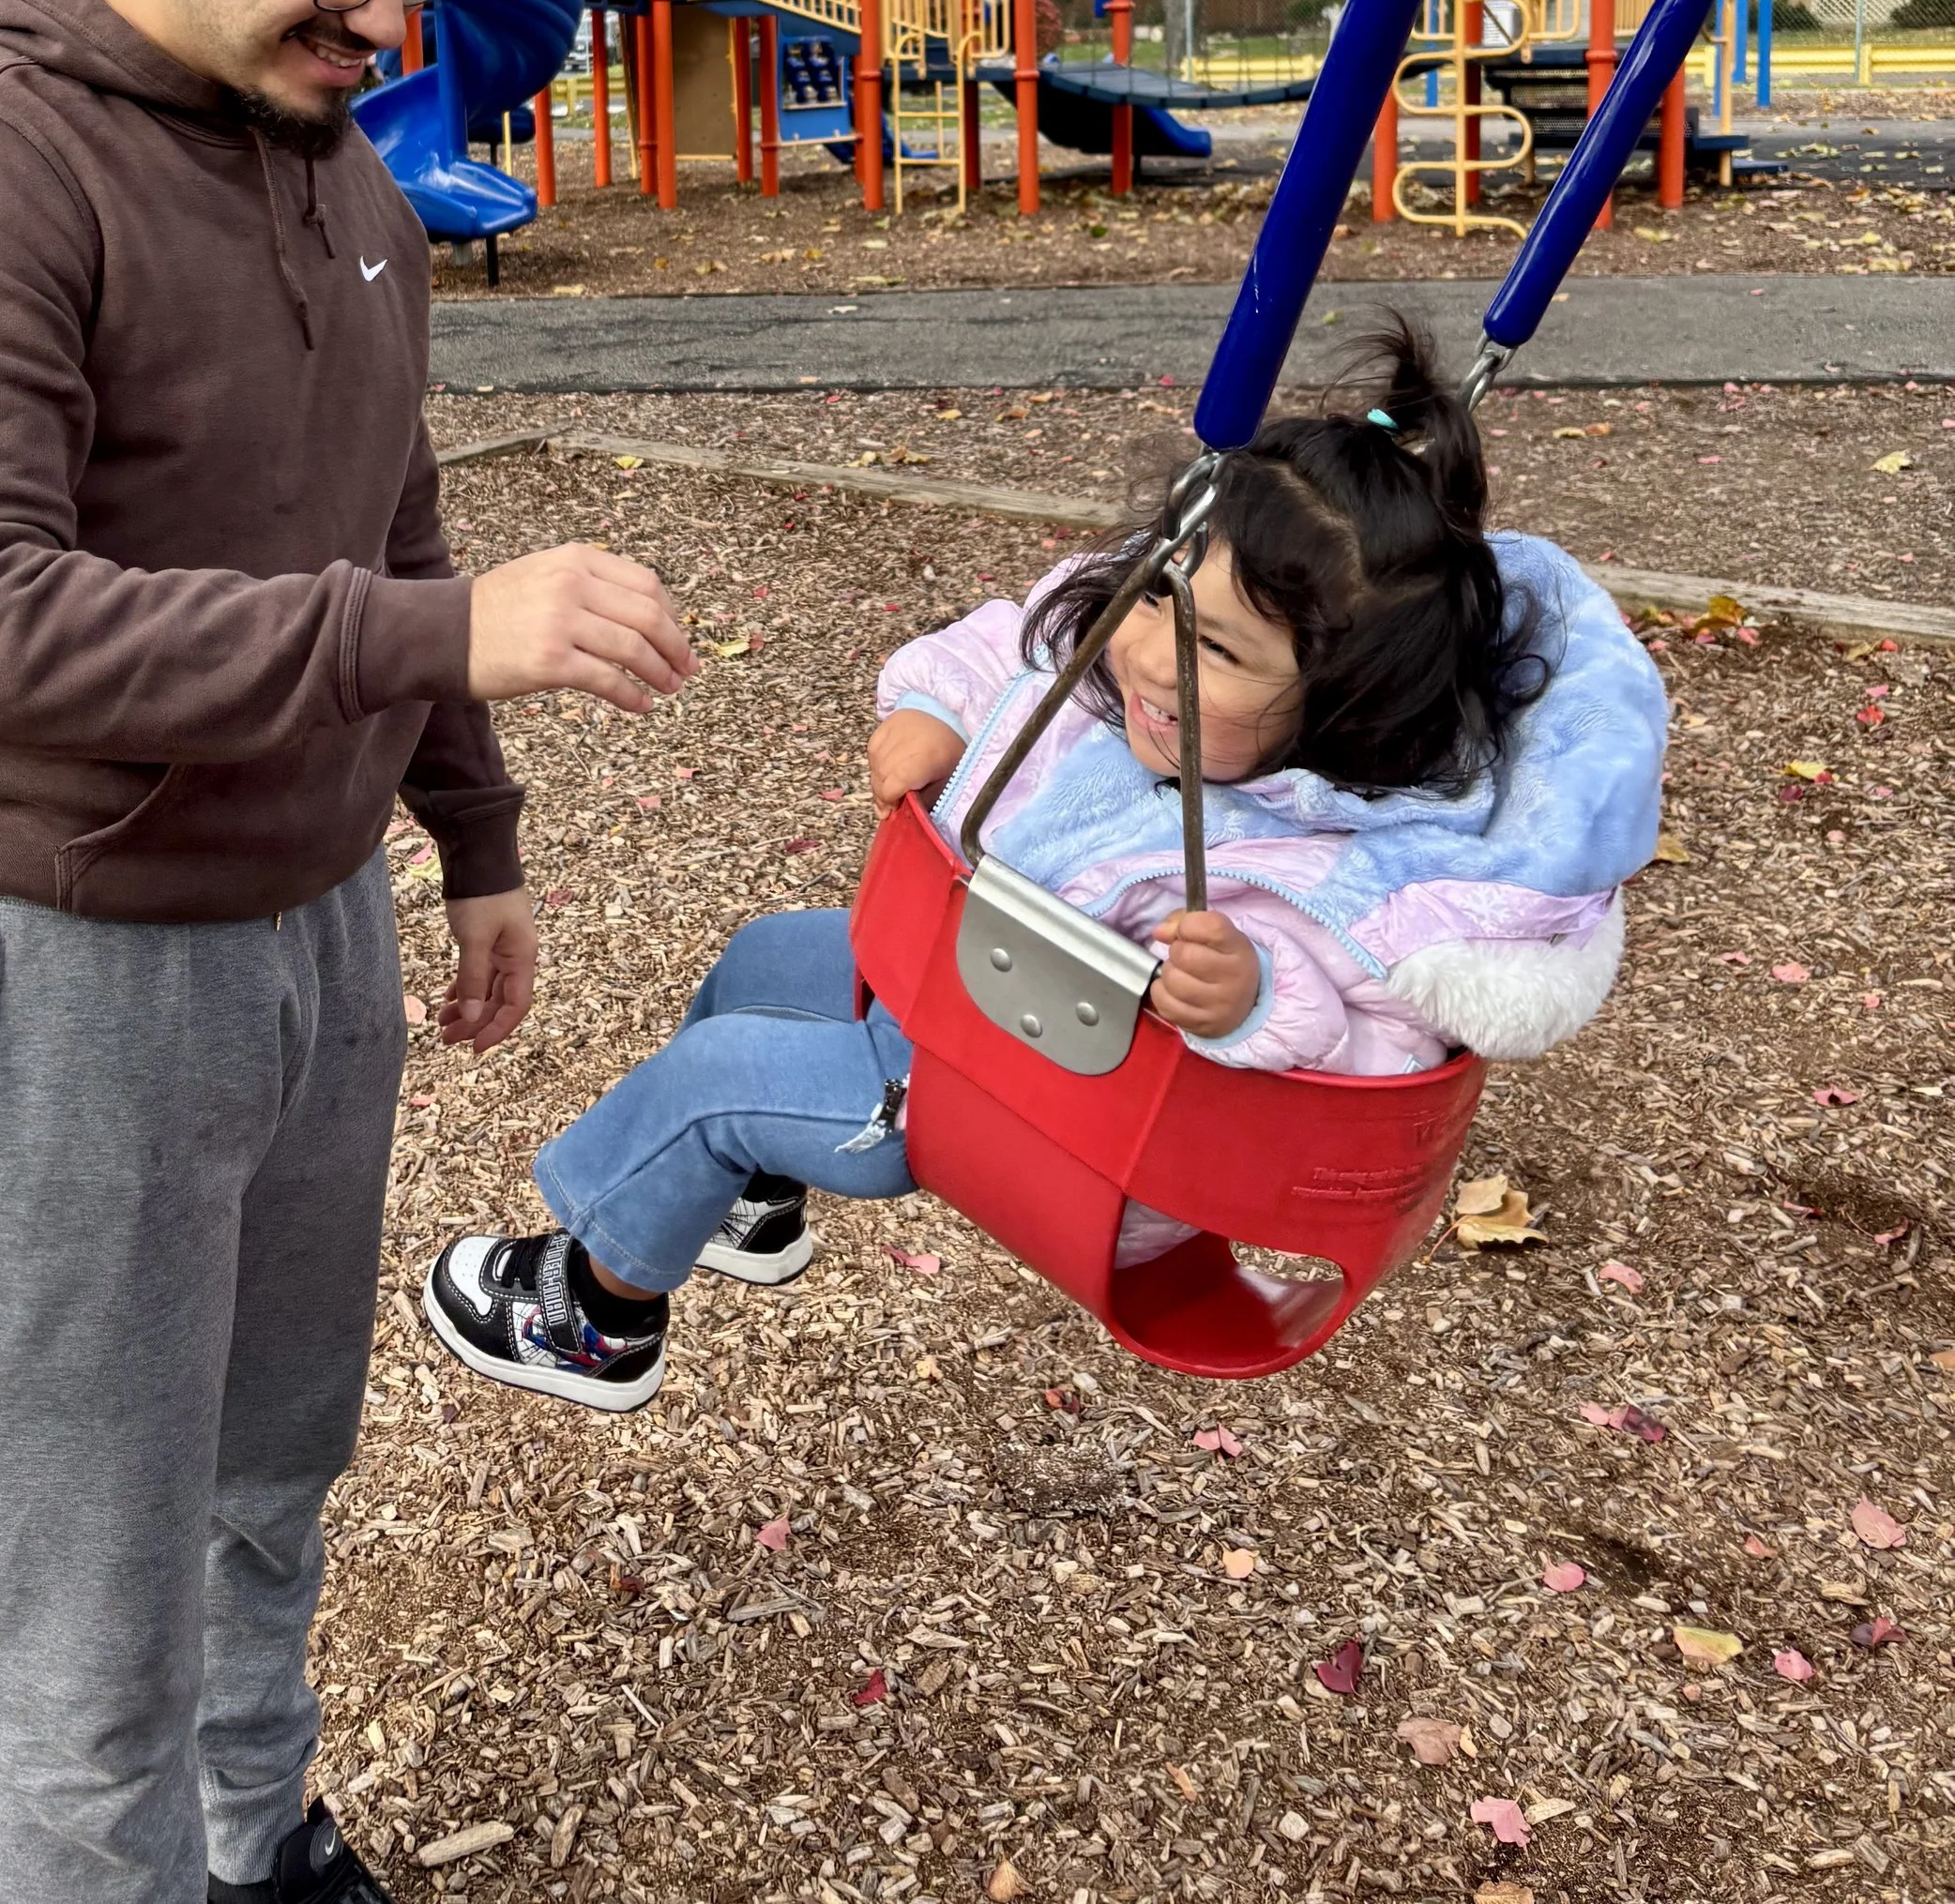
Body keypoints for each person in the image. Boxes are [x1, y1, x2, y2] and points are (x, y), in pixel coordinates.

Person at [0, 0, 694, 1904]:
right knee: (82, 1555)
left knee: (268, 1457)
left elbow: (387, 518)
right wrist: (430, 646)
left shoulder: (343, 174)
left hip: (305, 927)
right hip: (51, 947)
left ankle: (251, 1835)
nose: (385, 22)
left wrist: (468, 827)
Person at [421, 325, 1666, 1410]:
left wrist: (1253, 1002)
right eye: (1156, 597)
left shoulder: (1337, 868)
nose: (1149, 659)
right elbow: (1015, 648)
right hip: (948, 1008)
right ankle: (744, 1192)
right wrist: (938, 710)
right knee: (765, 956)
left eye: (1217, 652)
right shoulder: (1125, 678)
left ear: (1343, 710)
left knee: (712, 1080)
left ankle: (595, 1314)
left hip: (1043, 1123)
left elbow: (1379, 1040)